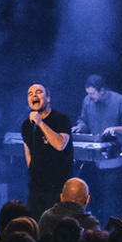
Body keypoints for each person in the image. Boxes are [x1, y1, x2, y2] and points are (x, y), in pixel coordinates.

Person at [72, 75, 122, 220]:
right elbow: (84, 121)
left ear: (102, 90)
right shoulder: (87, 101)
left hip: (115, 159)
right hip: (95, 159)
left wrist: (115, 129)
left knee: (111, 201)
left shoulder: (120, 101)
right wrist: (79, 127)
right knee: (94, 199)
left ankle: (111, 233)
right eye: (87, 93)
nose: (89, 97)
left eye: (92, 93)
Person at [21, 84, 72, 215]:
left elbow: (60, 145)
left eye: (39, 92)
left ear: (48, 98)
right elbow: (28, 151)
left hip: (58, 186)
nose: (34, 95)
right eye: (30, 93)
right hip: (36, 186)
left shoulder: (61, 119)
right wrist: (34, 171)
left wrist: (40, 123)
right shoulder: (26, 125)